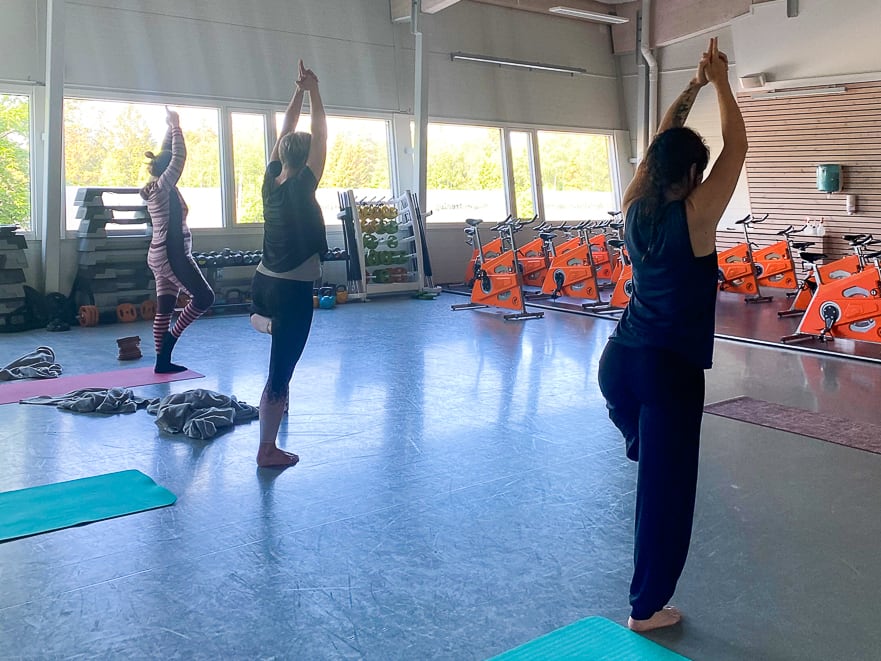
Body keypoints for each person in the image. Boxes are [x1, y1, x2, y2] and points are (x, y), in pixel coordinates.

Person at [597, 38, 748, 632]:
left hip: (618, 364)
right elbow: (737, 146)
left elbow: (662, 144)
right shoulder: (696, 217)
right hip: (668, 373)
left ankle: (638, 438)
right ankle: (646, 609)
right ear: (691, 174)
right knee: (665, 499)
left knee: (645, 446)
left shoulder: (636, 202)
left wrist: (692, 85)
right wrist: (721, 83)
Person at [249, 60, 328, 468]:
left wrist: (298, 92)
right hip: (291, 290)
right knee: (279, 374)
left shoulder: (271, 182)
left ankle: (263, 322)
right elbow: (320, 135)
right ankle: (267, 449)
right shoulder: (302, 185)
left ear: (280, 156)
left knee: (275, 338)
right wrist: (315, 91)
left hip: (263, 282)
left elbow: (286, 134)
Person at [141, 107, 214, 374]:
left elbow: (167, 153)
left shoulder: (156, 184)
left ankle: (162, 362)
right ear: (167, 169)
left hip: (159, 255)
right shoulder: (163, 186)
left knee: (165, 308)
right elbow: (179, 156)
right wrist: (177, 126)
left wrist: (168, 127)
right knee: (204, 297)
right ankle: (171, 341)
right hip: (172, 255)